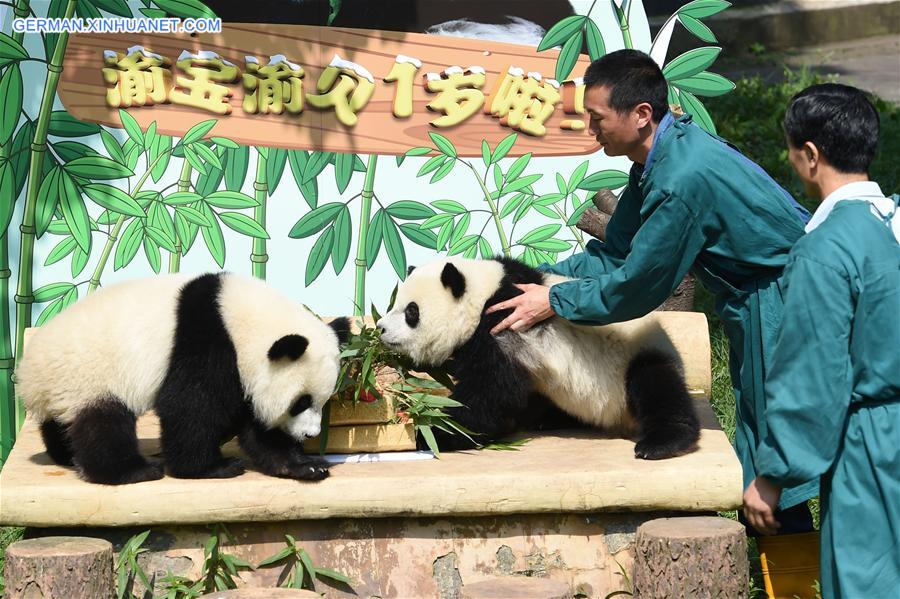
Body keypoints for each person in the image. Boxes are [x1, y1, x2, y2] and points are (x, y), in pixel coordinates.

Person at [485, 49, 818, 531]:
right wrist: (531, 279)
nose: (590, 128)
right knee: (768, 444)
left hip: (788, 300)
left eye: (597, 117)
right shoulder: (659, 158)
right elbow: (614, 252)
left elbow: (637, 286)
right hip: (761, 297)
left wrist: (553, 300)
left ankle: (798, 575)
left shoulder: (680, 180)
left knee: (779, 457)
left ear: (641, 115)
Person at [743, 83, 899, 599]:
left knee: (867, 581)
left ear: (810, 156)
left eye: (790, 151)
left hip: (873, 442)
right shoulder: (894, 221)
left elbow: (814, 376)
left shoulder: (826, 250)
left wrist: (775, 472)